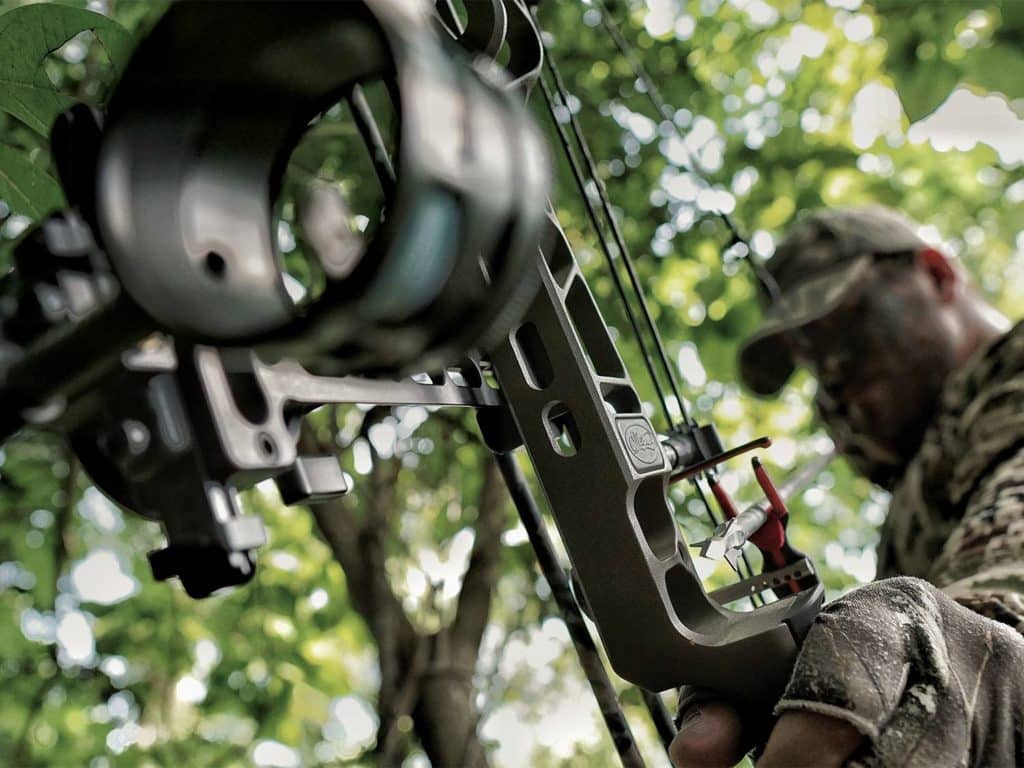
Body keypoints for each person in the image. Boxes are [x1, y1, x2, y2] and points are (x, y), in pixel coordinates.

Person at [669, 206, 1024, 767]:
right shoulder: (920, 499)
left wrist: (955, 643)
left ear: (934, 274)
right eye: (808, 362)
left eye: (843, 329)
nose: (829, 374)